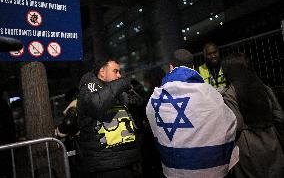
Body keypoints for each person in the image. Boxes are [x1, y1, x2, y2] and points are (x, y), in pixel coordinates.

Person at [146, 49, 239, 178]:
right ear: (194, 67)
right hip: (209, 169)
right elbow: (229, 122)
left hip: (174, 170)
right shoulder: (210, 93)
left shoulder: (155, 98)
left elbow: (157, 130)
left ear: (171, 67)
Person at [76, 57, 142, 178]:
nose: (119, 75)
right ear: (102, 72)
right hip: (106, 164)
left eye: (120, 72)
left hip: (127, 160)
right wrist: (121, 83)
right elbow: (96, 104)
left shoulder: (115, 91)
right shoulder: (89, 88)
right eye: (115, 71)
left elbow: (137, 108)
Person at [222, 52, 284, 178]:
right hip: (273, 145)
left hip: (248, 152)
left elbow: (236, 124)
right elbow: (280, 116)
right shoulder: (264, 88)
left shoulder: (230, 92)